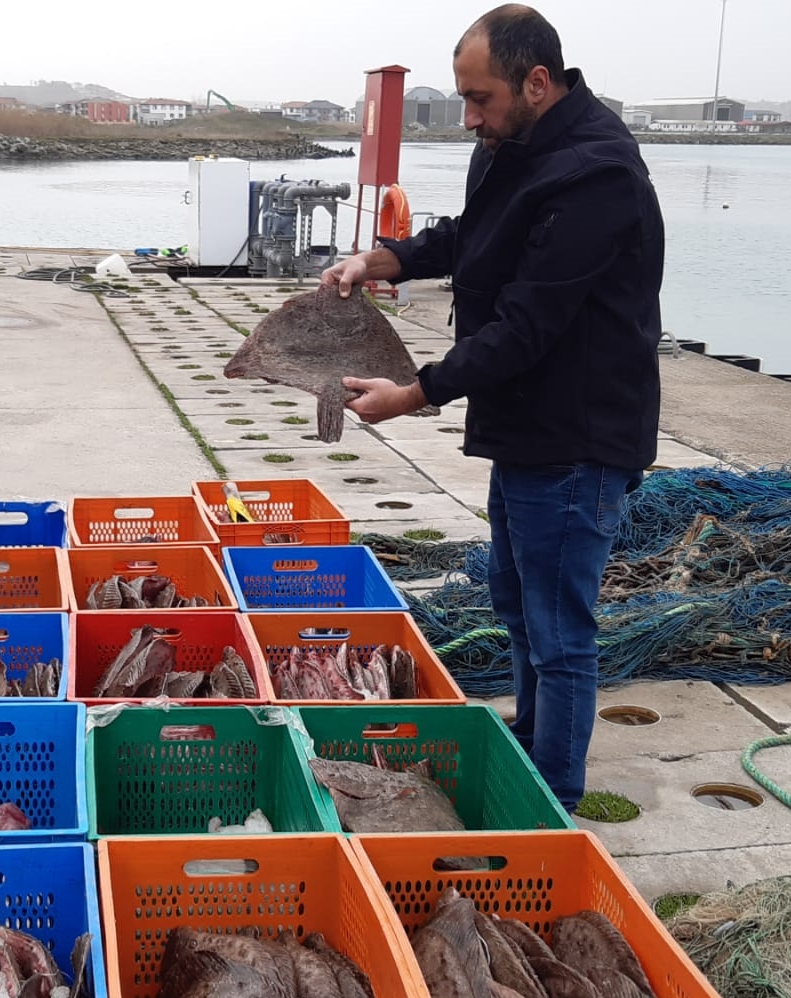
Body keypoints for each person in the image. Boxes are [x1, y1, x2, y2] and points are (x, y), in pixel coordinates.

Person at [320, 3, 665, 809]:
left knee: (560, 632)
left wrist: (415, 393)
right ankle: (532, 744)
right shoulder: (515, 146)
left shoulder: (598, 175)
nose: (470, 116)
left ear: (536, 82)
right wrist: (386, 256)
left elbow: (526, 326)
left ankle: (554, 794)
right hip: (524, 427)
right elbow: (470, 237)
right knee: (517, 603)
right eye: (464, 98)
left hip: (578, 436)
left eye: (480, 100)